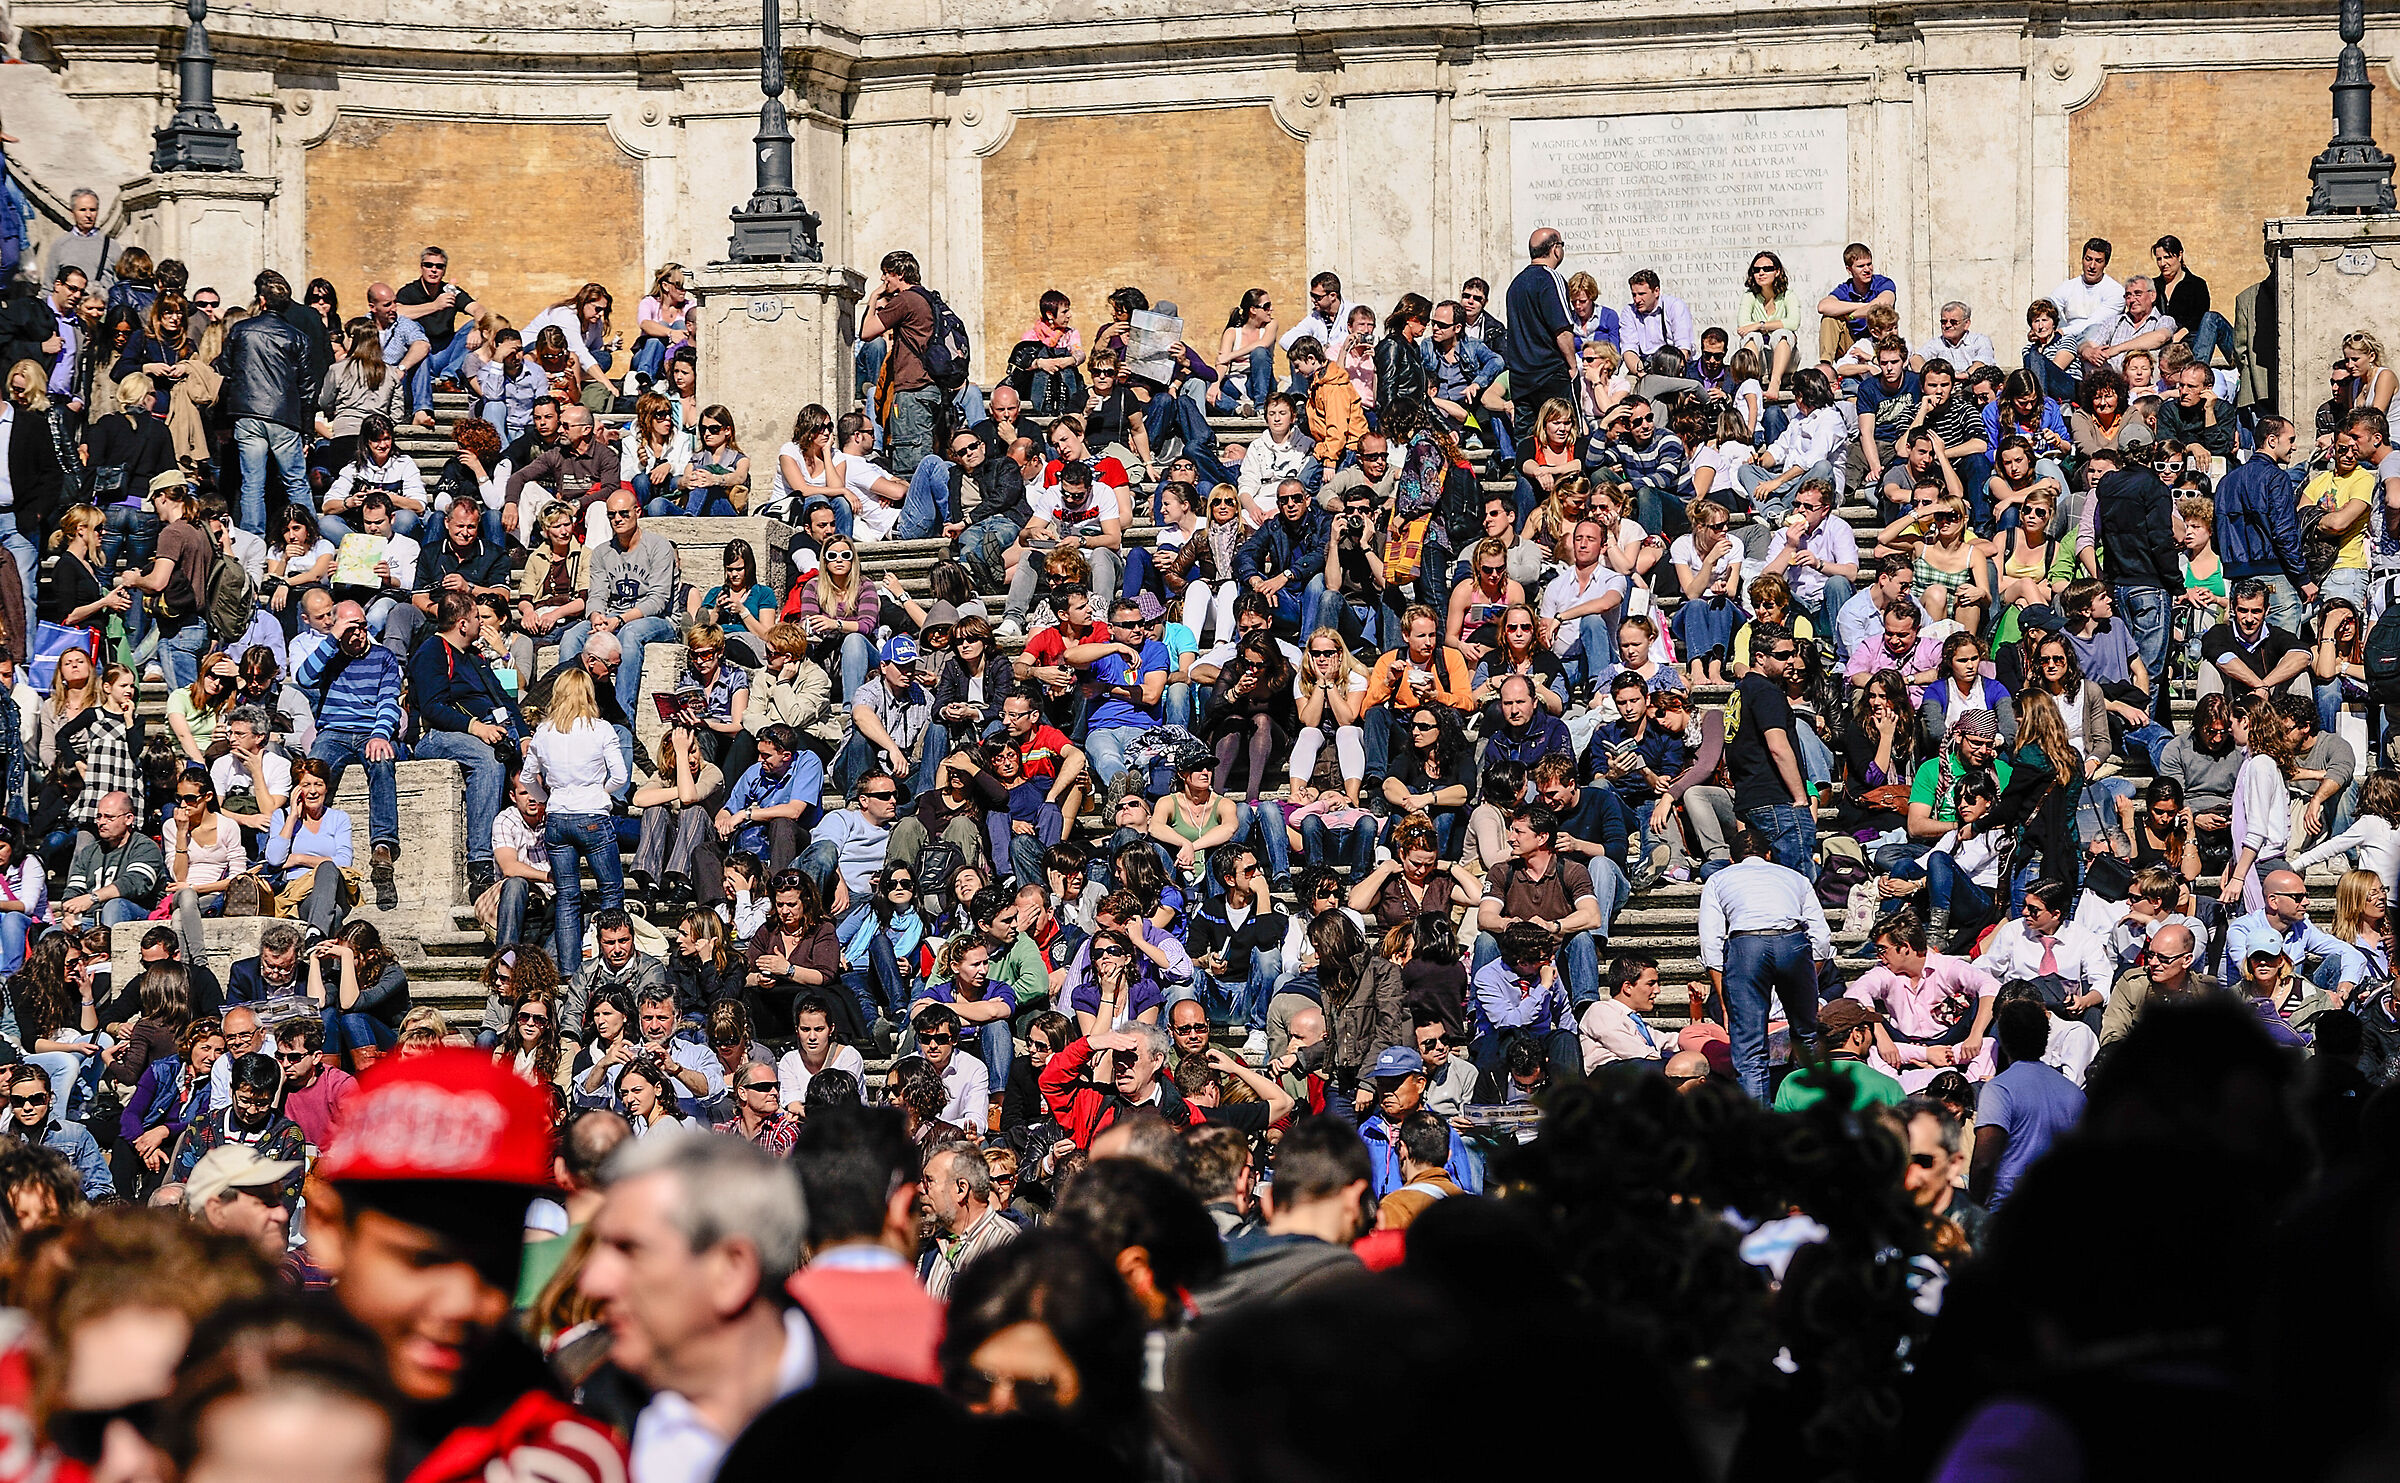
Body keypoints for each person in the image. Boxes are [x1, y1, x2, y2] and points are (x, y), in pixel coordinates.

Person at [1701, 821, 1836, 1101]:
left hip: (1746, 945)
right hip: (1793, 942)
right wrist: (1809, 975)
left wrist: (1724, 1000)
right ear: (1769, 855)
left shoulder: (1718, 879)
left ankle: (1759, 1130)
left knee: (1750, 1050)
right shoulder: (1795, 877)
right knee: (1807, 1037)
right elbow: (1821, 938)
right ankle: (1812, 1115)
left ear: (1731, 860)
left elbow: (1711, 942)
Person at [1970, 998, 2085, 1211]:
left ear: (2003, 1039)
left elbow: (1984, 1162)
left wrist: (1973, 1211)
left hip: (2006, 1212)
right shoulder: (2074, 1093)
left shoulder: (1998, 1089)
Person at [1724, 622, 1816, 878]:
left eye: (1792, 654)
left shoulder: (1740, 691)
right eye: (1783, 655)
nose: (1791, 661)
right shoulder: (1767, 692)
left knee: (1764, 882)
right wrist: (1800, 798)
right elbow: (1778, 747)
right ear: (1760, 658)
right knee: (1797, 883)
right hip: (1777, 800)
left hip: (1750, 798)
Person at [1773, 998, 1906, 1112]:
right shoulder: (1888, 1086)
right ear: (1857, 1035)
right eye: (1870, 1029)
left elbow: (1782, 1136)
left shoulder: (1791, 1083)